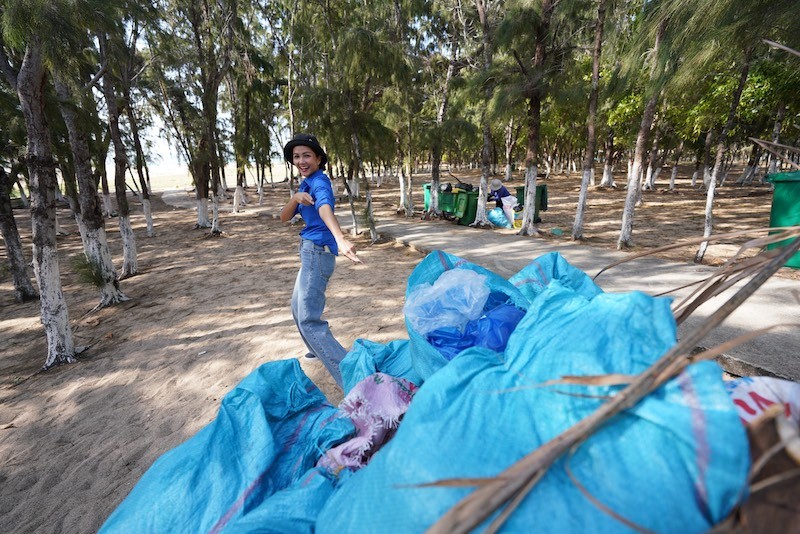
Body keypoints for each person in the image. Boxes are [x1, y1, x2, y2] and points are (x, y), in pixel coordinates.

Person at [280, 133, 361, 388]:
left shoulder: (319, 183)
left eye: (307, 155)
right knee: (297, 307)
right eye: (296, 156)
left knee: (309, 319)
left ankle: (352, 380)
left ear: (318, 158)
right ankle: (317, 348)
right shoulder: (305, 184)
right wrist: (294, 198)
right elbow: (283, 217)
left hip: (318, 252)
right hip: (308, 251)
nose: (301, 160)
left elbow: (325, 206)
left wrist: (340, 238)